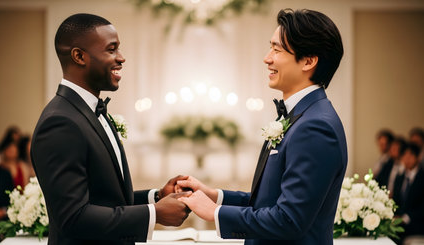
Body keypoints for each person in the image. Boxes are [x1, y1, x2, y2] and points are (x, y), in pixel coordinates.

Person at [177, 8, 347, 245]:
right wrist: (214, 195)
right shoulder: (300, 116)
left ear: (308, 61)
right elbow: (269, 202)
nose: (267, 58)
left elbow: (289, 220)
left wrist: (213, 212)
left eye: (277, 49)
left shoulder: (316, 127)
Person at [31, 13, 190, 245]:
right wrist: (154, 214)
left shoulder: (89, 112)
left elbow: (106, 199)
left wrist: (156, 197)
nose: (122, 58)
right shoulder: (60, 122)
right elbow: (72, 217)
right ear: (79, 56)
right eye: (111, 49)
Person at [392, 142, 424, 244]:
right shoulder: (399, 178)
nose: (407, 158)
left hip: (417, 224)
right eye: (404, 155)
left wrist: (405, 218)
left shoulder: (422, 177)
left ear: (417, 157)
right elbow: (396, 201)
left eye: (411, 155)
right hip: (399, 225)